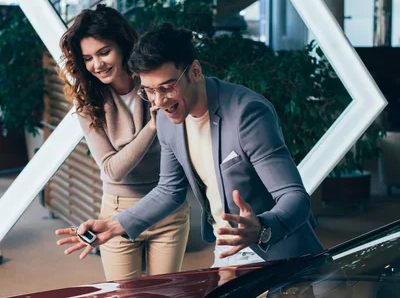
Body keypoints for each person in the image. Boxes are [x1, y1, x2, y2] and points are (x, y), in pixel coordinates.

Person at [57, 22, 323, 267]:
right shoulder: (164, 117)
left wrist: (263, 228)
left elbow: (294, 197)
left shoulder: (247, 113)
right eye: (149, 91)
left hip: (280, 251)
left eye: (167, 87)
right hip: (228, 249)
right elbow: (170, 190)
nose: (158, 102)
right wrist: (115, 224)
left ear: (195, 71)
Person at [57, 9, 190, 280]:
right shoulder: (88, 104)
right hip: (117, 210)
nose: (97, 64)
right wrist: (153, 126)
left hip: (167, 209)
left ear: (123, 46)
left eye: (104, 52)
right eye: (88, 58)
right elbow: (112, 170)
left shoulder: (155, 82)